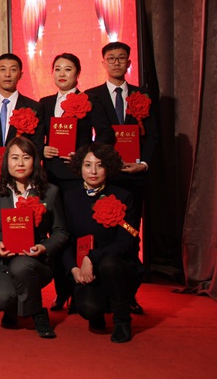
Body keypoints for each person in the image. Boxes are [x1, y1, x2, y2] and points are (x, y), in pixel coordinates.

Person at [85, 42, 157, 314]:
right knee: (103, 232)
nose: (116, 62)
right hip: (103, 178)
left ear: (129, 63)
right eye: (111, 58)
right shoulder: (92, 96)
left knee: (130, 233)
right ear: (103, 62)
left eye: (121, 58)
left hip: (134, 178)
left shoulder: (142, 96)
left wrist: (143, 164)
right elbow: (87, 137)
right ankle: (98, 287)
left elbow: (153, 136)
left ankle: (130, 293)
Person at [39, 53, 113, 311]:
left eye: (68, 69)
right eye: (57, 69)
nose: (62, 74)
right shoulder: (45, 103)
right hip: (50, 178)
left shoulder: (90, 101)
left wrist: (84, 154)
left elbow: (106, 134)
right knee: (56, 234)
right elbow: (35, 138)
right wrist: (42, 149)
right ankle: (62, 291)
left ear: (78, 73)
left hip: (77, 179)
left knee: (78, 231)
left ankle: (85, 287)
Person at [0, 137, 67, 338]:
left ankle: (38, 313)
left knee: (21, 266)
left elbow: (61, 232)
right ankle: (13, 307)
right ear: (6, 161)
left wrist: (44, 247)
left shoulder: (50, 192)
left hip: (35, 261)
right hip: (4, 261)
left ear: (35, 161)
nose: (20, 163)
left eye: (26, 157)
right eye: (14, 158)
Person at [63, 143, 140, 343]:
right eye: (88, 165)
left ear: (109, 167)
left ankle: (122, 320)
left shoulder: (123, 196)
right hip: (86, 271)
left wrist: (92, 257)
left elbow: (127, 241)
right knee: (90, 309)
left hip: (118, 267)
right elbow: (66, 239)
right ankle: (100, 308)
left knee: (109, 263)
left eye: (100, 165)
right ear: (80, 167)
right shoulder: (70, 197)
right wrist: (73, 268)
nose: (93, 171)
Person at [0, 53, 45, 188]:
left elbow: (37, 146)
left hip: (22, 181)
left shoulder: (34, 108)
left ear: (20, 75)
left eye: (13, 69)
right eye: (3, 69)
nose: (7, 74)